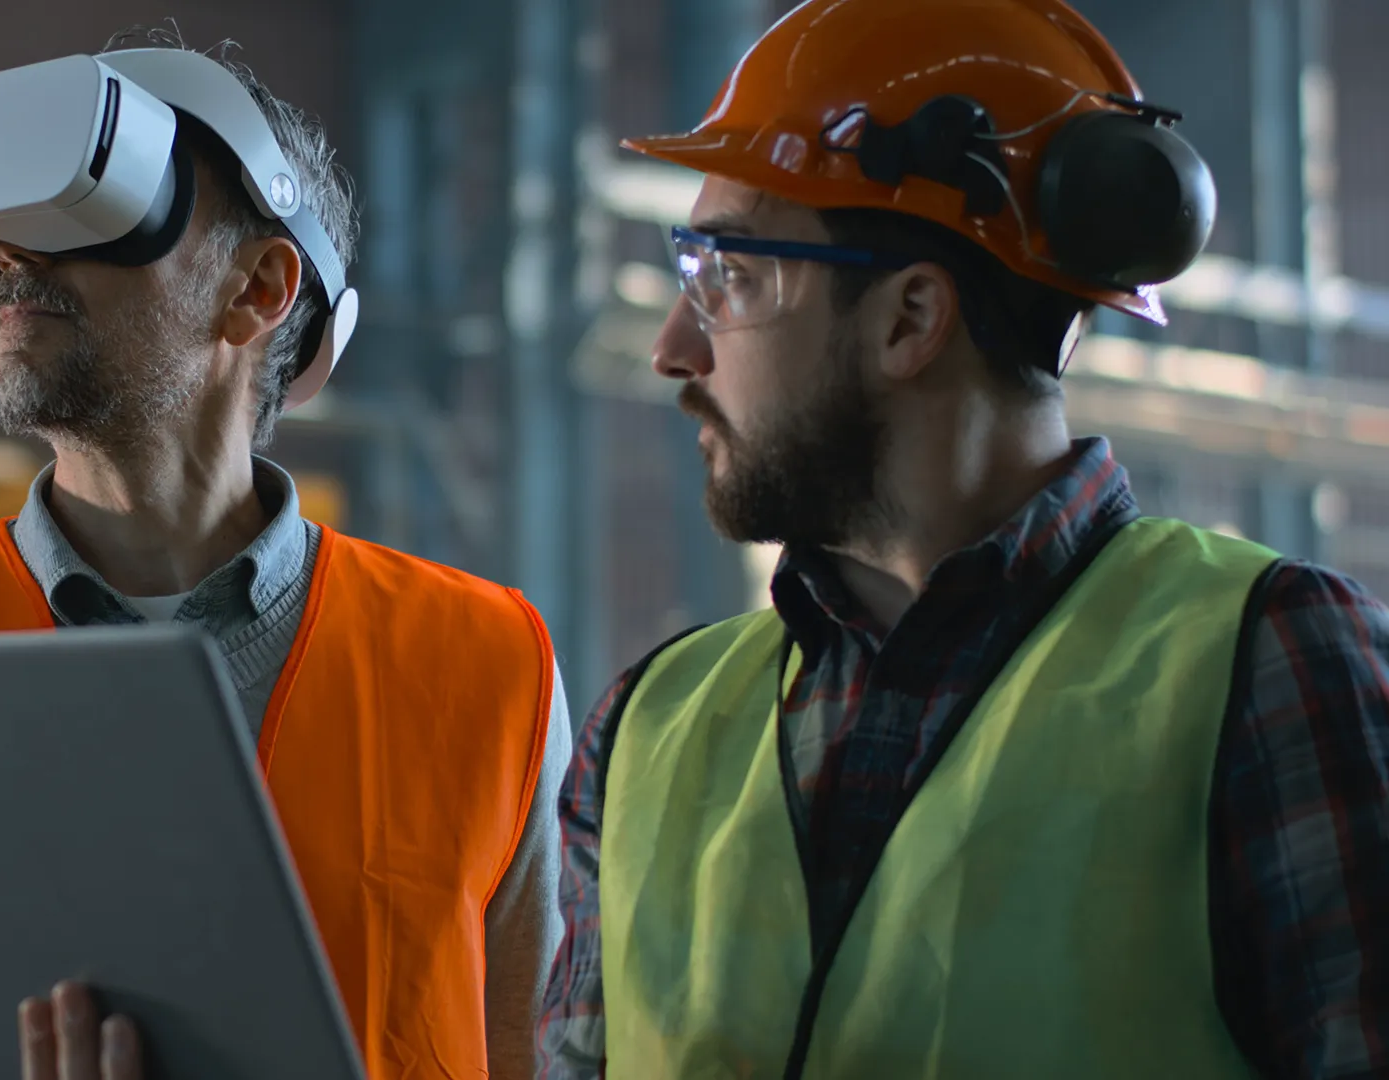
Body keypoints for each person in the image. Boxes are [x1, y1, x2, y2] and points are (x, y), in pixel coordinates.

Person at [535, 1, 1389, 1077]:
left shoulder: (1268, 667)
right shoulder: (647, 729)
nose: (672, 349)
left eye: (728, 280)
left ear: (909, 319)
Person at [0, 29, 570, 1080]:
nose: (9, 259)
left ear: (258, 288)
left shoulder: (485, 667)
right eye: (0, 230)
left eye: (92, 208)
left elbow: (537, 1056)